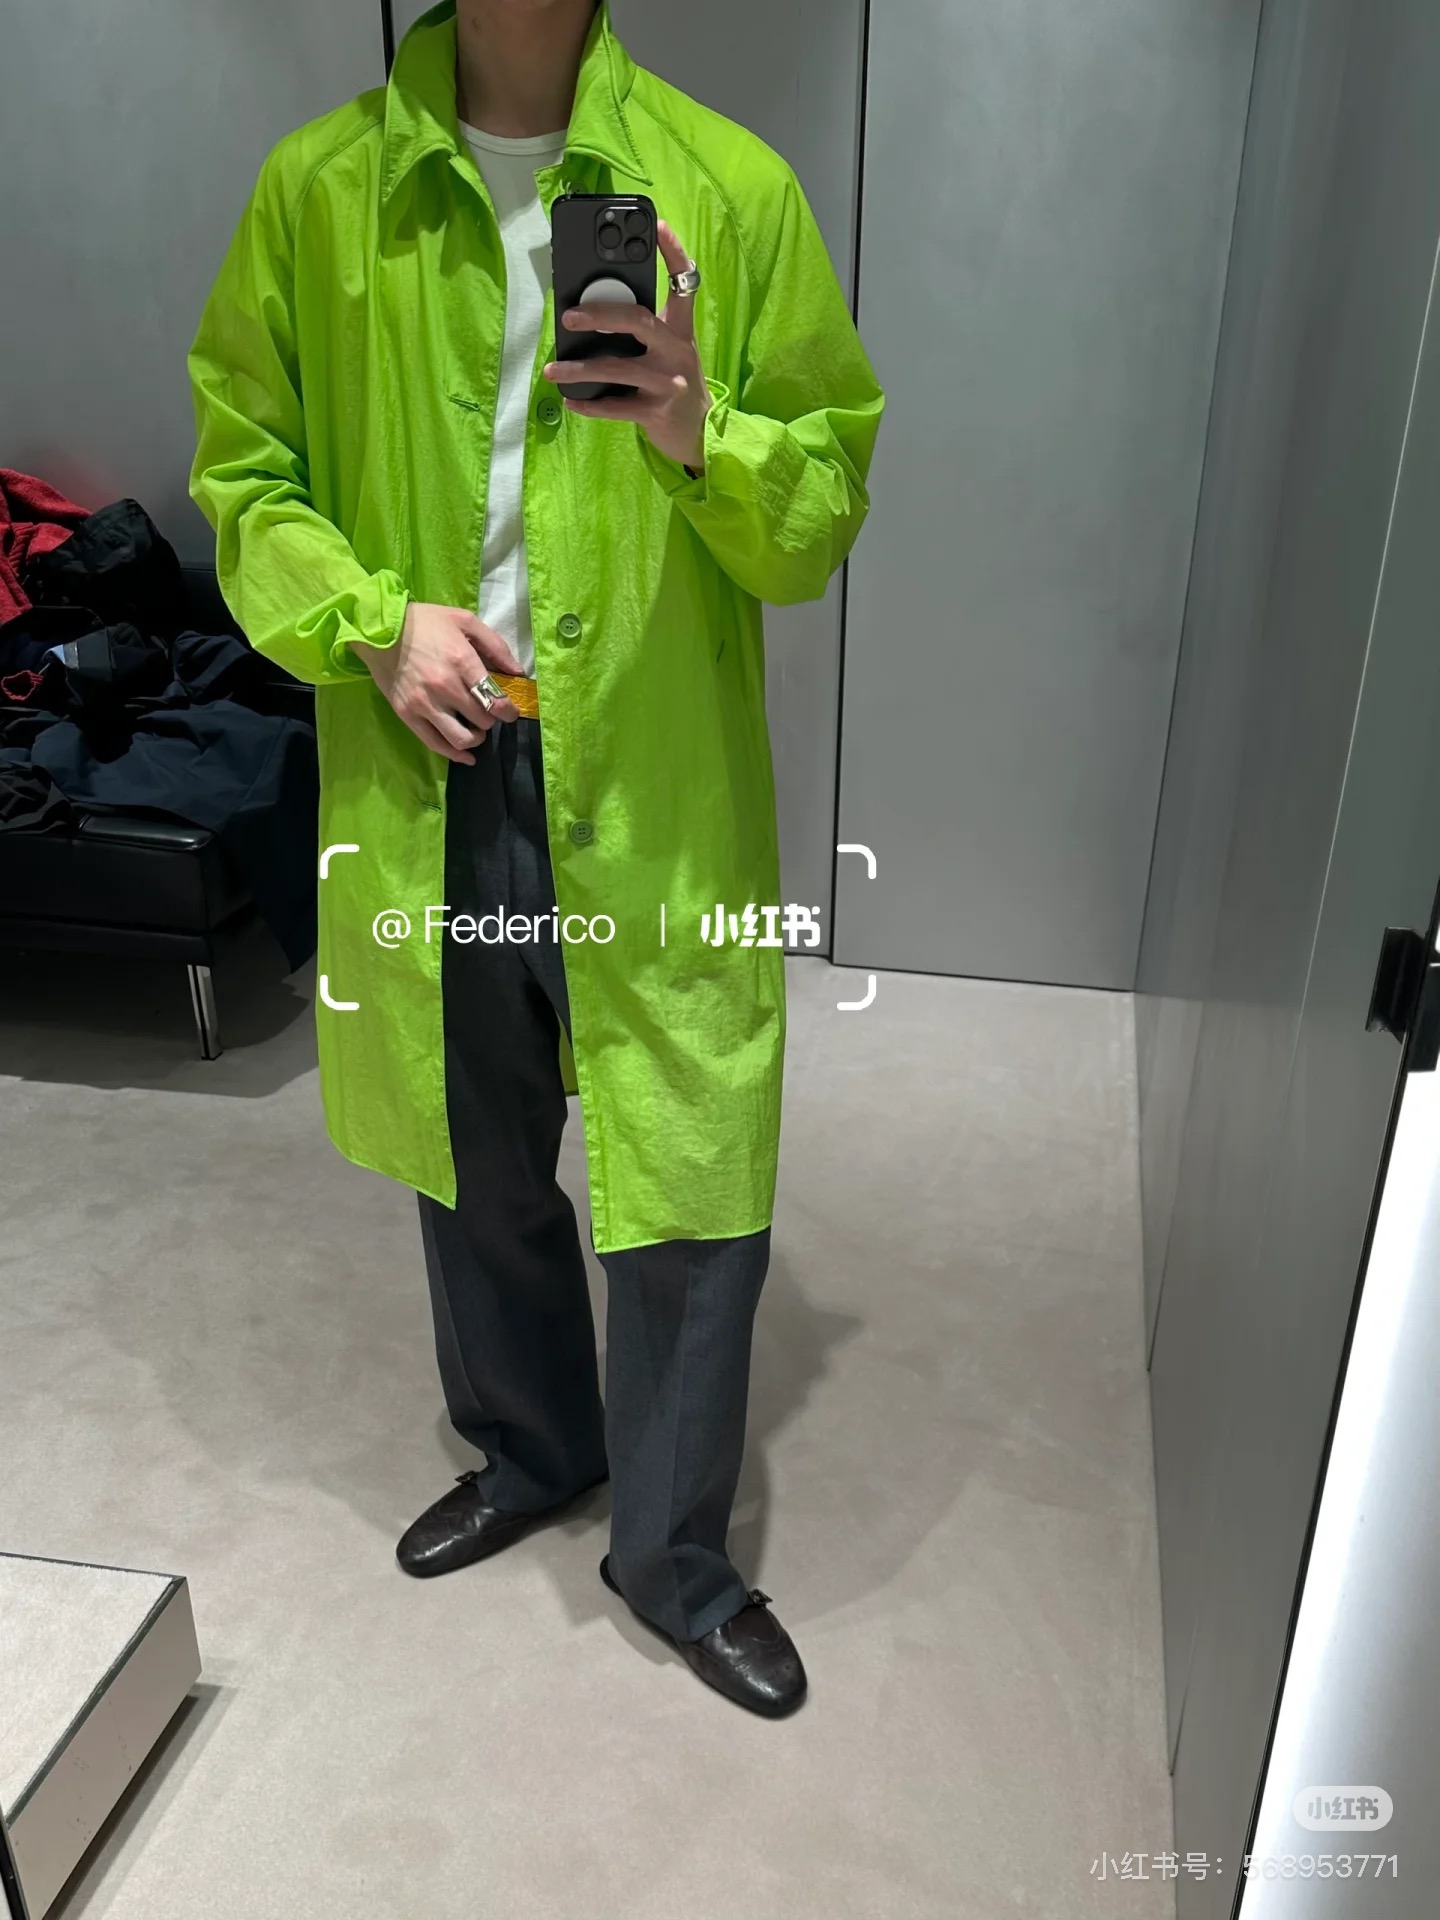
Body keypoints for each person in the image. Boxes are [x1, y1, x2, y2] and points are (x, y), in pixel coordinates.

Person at [187, 0, 884, 1717]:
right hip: (434, 751)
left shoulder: (727, 185)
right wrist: (371, 626)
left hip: (653, 773)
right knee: (468, 1140)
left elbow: (819, 513)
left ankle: (676, 1559)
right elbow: (243, 471)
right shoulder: (320, 191)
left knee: (688, 1160)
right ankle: (530, 1444)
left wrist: (702, 429)